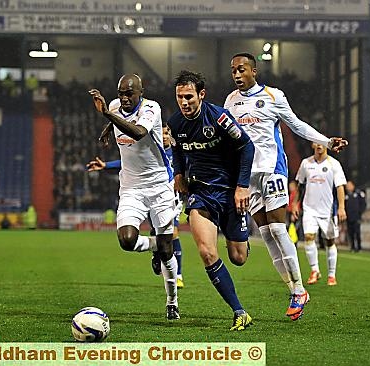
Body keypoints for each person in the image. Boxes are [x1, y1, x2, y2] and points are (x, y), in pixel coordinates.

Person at [224, 52, 348, 320]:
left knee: (279, 229)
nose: (236, 74)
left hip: (273, 171)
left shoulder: (273, 96)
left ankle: (299, 290)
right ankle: (294, 288)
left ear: (254, 71)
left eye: (242, 69)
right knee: (267, 235)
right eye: (233, 70)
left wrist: (326, 142)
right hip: (249, 177)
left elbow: (297, 124)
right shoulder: (230, 101)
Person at [168, 70, 255, 331]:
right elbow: (177, 149)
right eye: (179, 97)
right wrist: (179, 173)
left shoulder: (219, 117)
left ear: (201, 95)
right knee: (207, 252)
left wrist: (242, 186)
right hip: (201, 194)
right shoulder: (175, 123)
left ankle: (241, 241)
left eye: (189, 97)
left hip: (229, 192)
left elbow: (247, 146)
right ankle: (239, 312)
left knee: (238, 258)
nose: (184, 102)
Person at [88, 74, 179, 320]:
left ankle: (172, 301)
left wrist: (107, 116)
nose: (125, 98)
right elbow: (118, 116)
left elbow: (138, 132)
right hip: (131, 187)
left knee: (168, 251)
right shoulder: (117, 107)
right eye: (121, 94)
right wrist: (108, 127)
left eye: (130, 94)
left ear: (141, 92)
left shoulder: (152, 108)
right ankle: (154, 247)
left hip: (160, 186)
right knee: (127, 241)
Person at [88, 122, 186, 289]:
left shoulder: (177, 153)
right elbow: (128, 163)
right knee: (159, 234)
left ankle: (178, 275)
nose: (163, 137)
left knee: (173, 233)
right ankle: (157, 251)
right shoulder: (152, 151)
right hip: (150, 195)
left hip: (170, 196)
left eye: (166, 134)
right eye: (161, 134)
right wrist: (106, 166)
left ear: (170, 135)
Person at [292, 143, 347, 285]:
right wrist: (294, 204)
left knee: (329, 241)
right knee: (309, 237)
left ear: (327, 146)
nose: (319, 145)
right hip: (309, 208)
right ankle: (314, 270)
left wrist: (341, 207)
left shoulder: (334, 164)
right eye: (316, 142)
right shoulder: (306, 163)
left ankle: (331, 274)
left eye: (322, 143)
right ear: (312, 145)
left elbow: (340, 187)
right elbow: (300, 184)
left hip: (328, 210)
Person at [345, 180, 367, 252]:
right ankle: (352, 247)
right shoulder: (346, 195)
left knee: (357, 232)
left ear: (353, 186)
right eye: (347, 186)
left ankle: (359, 247)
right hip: (349, 217)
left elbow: (363, 204)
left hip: (356, 217)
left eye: (349, 185)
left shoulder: (358, 193)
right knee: (350, 233)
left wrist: (359, 213)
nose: (347, 187)